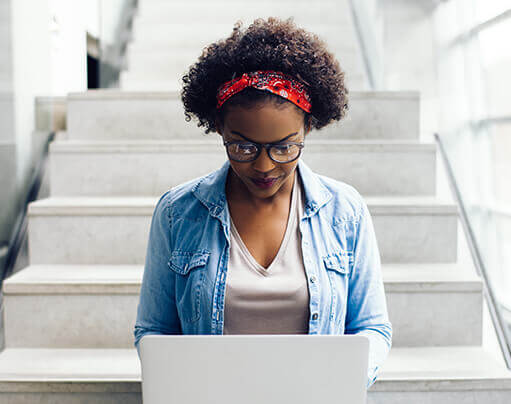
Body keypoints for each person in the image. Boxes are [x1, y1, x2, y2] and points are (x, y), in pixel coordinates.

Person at [134, 16, 392, 389]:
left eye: (285, 147)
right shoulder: (178, 213)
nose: (264, 165)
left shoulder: (344, 211)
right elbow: (154, 330)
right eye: (244, 146)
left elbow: (372, 327)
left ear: (307, 128)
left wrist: (338, 383)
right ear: (219, 127)